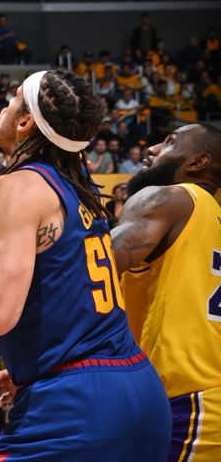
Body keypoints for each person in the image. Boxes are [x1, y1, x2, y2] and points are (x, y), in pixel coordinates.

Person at [0, 69, 171, 459]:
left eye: (14, 97)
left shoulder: (16, 187)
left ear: (25, 121)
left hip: (77, 406)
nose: (3, 103)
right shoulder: (73, 181)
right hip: (136, 389)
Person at [110, 123, 221, 461]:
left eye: (169, 142)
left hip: (188, 396)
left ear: (198, 162)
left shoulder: (171, 197)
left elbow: (89, 271)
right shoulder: (210, 220)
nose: (152, 149)